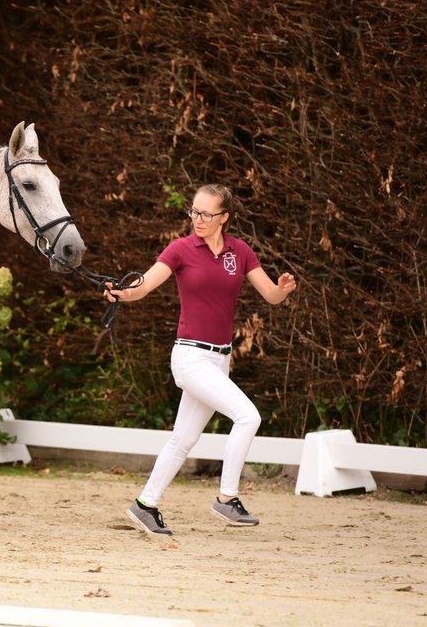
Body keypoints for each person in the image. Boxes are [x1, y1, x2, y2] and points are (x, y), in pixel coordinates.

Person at [106, 183, 297, 536]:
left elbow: (269, 295)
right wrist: (122, 294)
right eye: (194, 211)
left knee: (182, 440)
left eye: (206, 214)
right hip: (190, 357)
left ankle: (145, 505)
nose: (197, 219)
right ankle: (227, 499)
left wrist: (282, 291)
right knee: (247, 416)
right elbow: (145, 285)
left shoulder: (240, 252)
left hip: (219, 360)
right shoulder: (180, 249)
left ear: (224, 217)